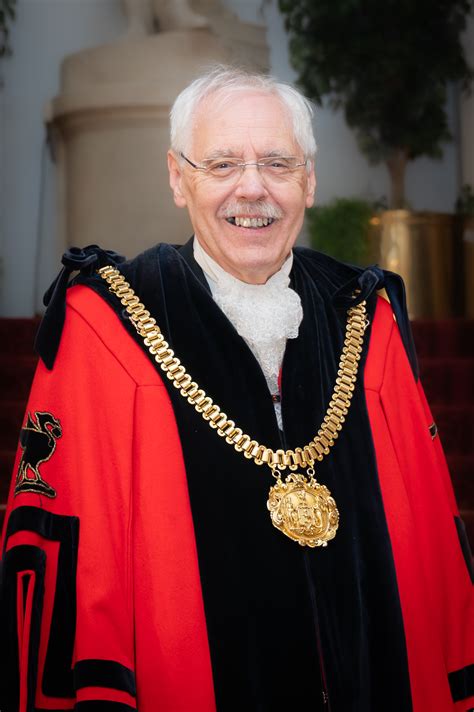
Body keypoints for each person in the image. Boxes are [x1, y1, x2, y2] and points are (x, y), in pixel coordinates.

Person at [1, 66, 473, 712]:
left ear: (309, 181)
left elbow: (431, 547)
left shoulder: (366, 315)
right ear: (177, 177)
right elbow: (77, 574)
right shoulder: (108, 323)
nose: (252, 190)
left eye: (278, 163)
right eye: (221, 164)